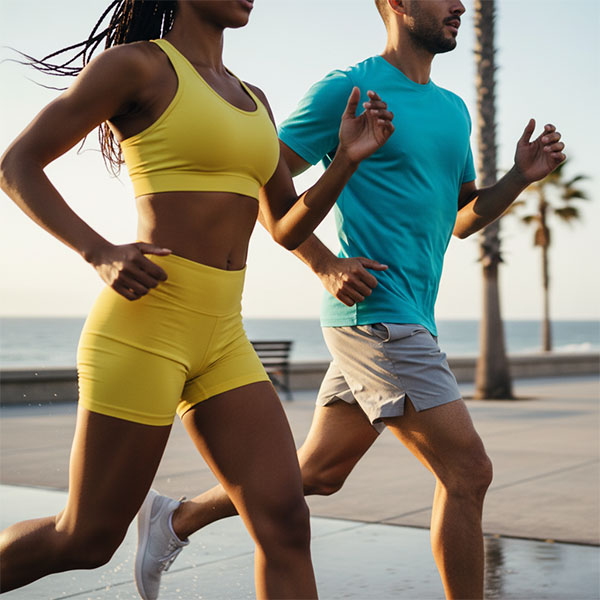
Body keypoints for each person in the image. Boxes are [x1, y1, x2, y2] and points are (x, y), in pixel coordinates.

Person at [135, 0, 567, 598]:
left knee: (319, 473)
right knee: (468, 472)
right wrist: (324, 264)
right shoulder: (348, 88)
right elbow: (266, 179)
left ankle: (174, 517)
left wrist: (518, 178)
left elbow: (464, 216)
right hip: (375, 314)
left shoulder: (452, 109)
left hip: (411, 313)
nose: (460, 6)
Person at [0, 1, 395, 598]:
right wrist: (98, 250)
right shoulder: (136, 68)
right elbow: (17, 164)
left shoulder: (253, 98)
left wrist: (344, 160)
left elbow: (284, 221)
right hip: (145, 322)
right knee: (85, 540)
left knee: (286, 520)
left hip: (223, 333)